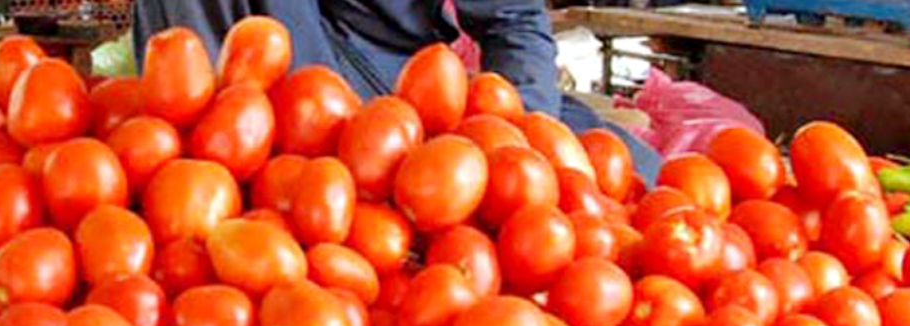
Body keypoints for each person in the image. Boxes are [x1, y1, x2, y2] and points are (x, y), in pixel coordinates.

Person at [133, 0, 662, 181]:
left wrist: (518, 129)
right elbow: (193, 85)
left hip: (413, 106)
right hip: (264, 140)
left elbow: (511, 20)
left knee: (638, 173)